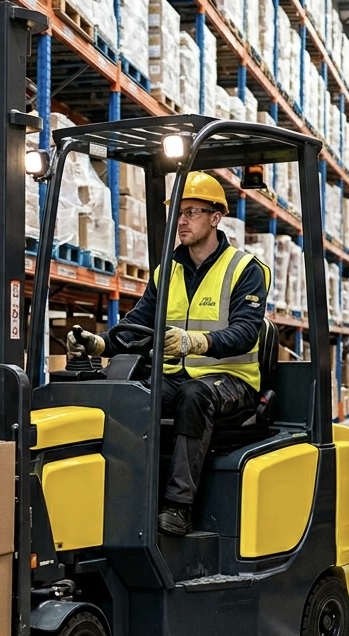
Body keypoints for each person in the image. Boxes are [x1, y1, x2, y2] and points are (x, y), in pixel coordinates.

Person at [67, 171, 269, 536]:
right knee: (132, 396)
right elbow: (138, 324)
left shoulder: (244, 269)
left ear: (215, 217)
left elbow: (245, 332)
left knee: (195, 396)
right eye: (179, 212)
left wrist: (194, 343)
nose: (183, 220)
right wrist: (99, 343)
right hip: (179, 375)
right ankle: (126, 495)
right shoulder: (167, 272)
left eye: (192, 211)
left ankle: (178, 506)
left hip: (233, 383)